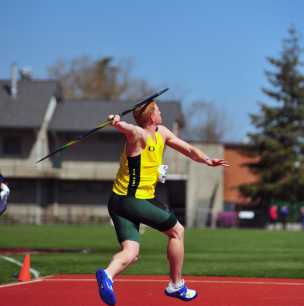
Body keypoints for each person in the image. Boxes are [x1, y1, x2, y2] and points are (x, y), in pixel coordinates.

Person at [95, 100, 229, 306]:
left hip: (117, 201)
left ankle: (107, 275)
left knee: (131, 252)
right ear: (151, 116)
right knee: (177, 232)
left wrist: (207, 160)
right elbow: (128, 128)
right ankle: (176, 285)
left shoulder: (163, 132)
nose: (160, 112)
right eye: (157, 110)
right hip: (135, 200)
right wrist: (116, 122)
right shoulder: (138, 135)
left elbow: (189, 150)